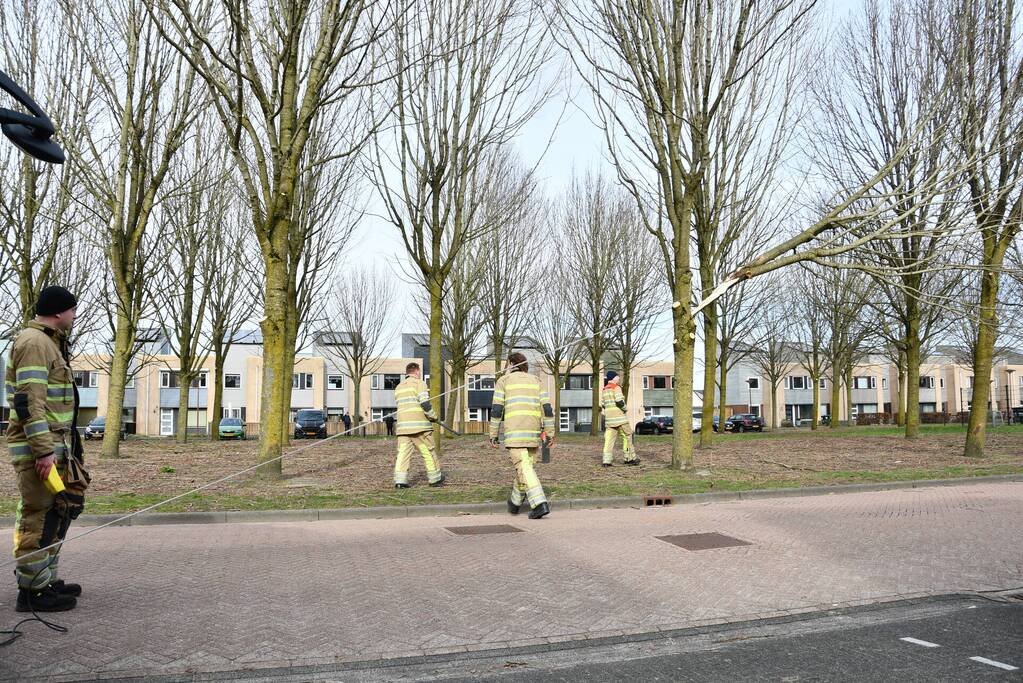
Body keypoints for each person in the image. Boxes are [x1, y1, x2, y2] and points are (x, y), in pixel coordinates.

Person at [7, 286, 90, 612]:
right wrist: (42, 452)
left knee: (60, 512)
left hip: (57, 448)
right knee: (37, 517)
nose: (74, 315)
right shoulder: (34, 343)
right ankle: (32, 593)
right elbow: (28, 403)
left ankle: (46, 580)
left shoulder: (48, 342)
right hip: (40, 452)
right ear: (58, 311)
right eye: (71, 310)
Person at [488, 352, 554, 519]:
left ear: (510, 364)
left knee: (523, 467)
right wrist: (550, 433)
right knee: (526, 468)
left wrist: (493, 434)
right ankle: (515, 502)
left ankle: (539, 503)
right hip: (533, 433)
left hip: (515, 433)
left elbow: (496, 410)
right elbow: (546, 409)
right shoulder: (536, 381)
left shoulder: (503, 381)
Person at [392, 362, 444, 488]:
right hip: (419, 428)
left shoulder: (399, 387)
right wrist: (434, 417)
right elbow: (425, 404)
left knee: (403, 454)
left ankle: (400, 481)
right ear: (416, 371)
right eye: (419, 371)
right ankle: (435, 480)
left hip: (403, 428)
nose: (419, 373)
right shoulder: (419, 383)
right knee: (428, 452)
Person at [600, 371, 639, 467]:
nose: (618, 378)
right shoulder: (616, 387)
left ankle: (606, 461)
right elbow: (619, 401)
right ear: (613, 378)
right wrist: (625, 408)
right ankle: (629, 458)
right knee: (628, 435)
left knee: (608, 439)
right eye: (617, 377)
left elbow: (602, 404)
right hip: (620, 418)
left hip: (609, 419)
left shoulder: (604, 389)